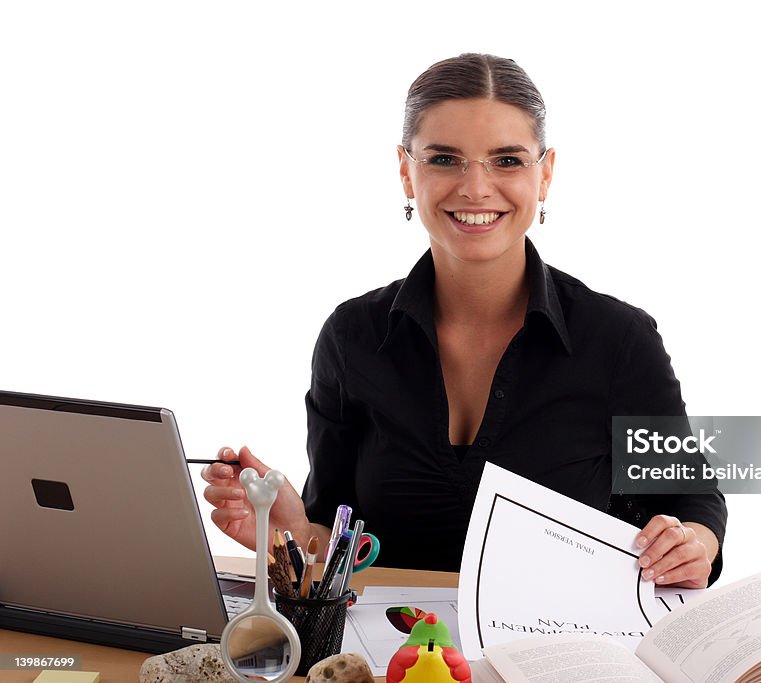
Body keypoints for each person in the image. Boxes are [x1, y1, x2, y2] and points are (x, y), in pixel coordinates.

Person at [202, 53, 727, 588]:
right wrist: (290, 528)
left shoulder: (618, 340)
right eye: (445, 159)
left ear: (544, 174)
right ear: (407, 172)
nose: (475, 188)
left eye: (506, 161)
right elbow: (337, 542)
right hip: (398, 662)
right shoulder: (351, 338)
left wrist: (692, 544)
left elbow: (692, 502)